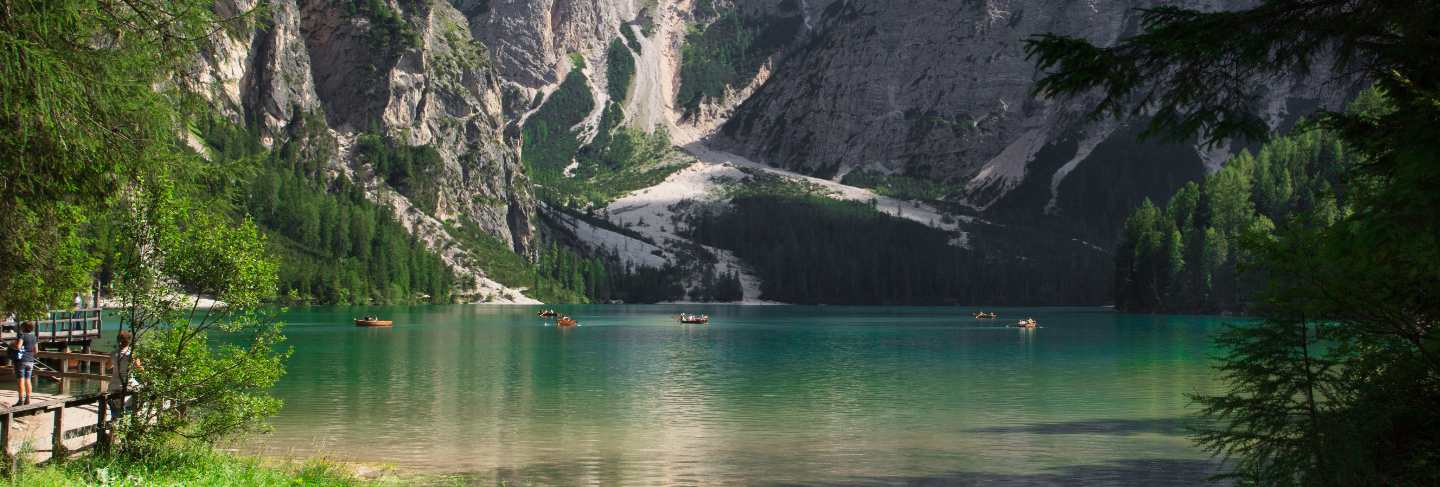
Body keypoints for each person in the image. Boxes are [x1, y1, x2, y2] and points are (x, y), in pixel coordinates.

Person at [108, 330, 141, 415]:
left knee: (115, 411)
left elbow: (108, 366)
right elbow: (139, 367)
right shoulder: (132, 354)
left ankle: (115, 418)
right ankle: (134, 414)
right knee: (140, 389)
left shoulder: (113, 353)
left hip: (114, 385)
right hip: (128, 385)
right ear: (129, 341)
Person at [11, 321, 38, 406]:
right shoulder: (34, 337)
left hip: (21, 361)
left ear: (24, 327)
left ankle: (20, 401)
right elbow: (36, 351)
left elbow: (18, 346)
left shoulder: (22, 335)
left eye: (21, 327)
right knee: (28, 380)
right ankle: (28, 400)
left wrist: (11, 345)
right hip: (30, 361)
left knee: (21, 380)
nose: (21, 328)